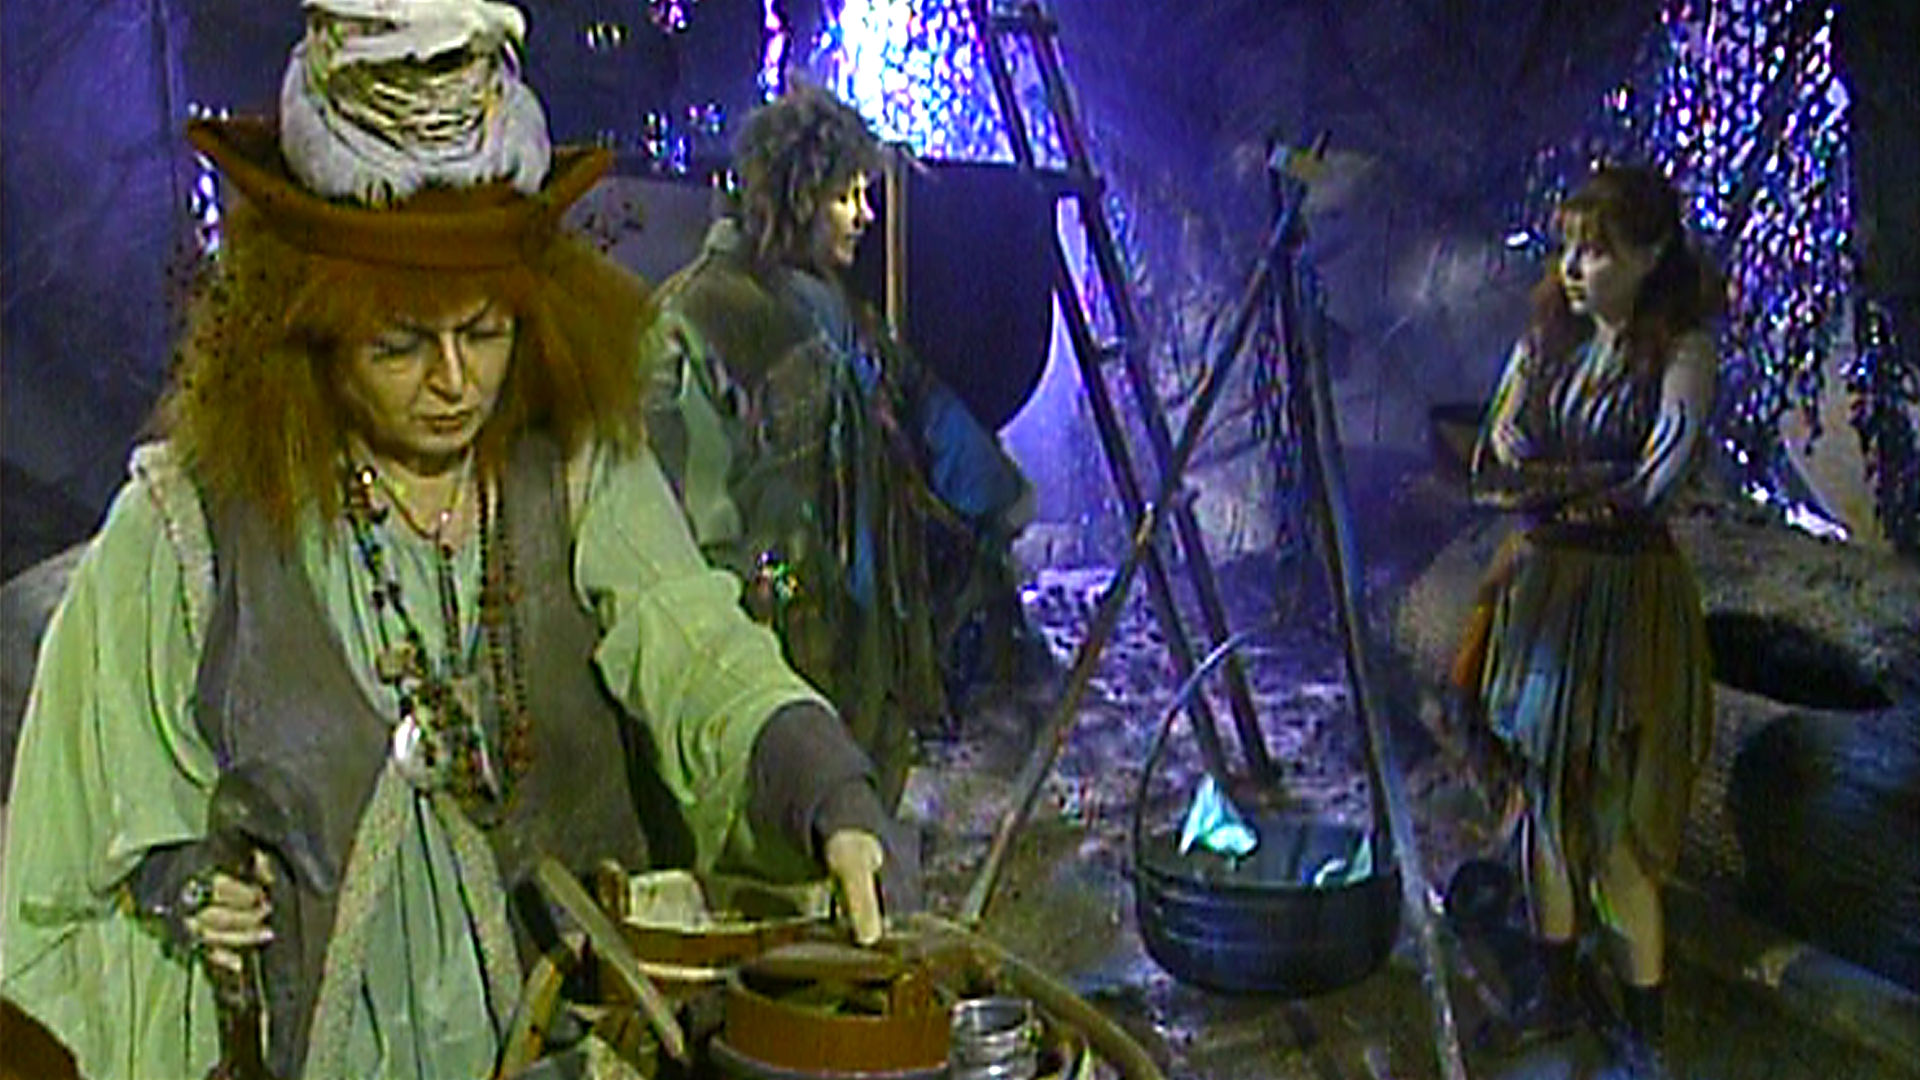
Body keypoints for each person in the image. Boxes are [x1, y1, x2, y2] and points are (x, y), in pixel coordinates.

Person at [0, 5, 915, 1078]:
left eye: (485, 331)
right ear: (308, 331)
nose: (453, 382)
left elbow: (689, 641)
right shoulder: (187, 536)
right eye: (398, 346)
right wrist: (180, 888)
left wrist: (819, 779)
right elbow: (73, 874)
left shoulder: (574, 469)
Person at [644, 83, 1037, 807]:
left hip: (851, 645)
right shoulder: (704, 318)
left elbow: (920, 405)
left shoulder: (840, 318)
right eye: (845, 196)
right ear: (797, 198)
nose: (865, 215)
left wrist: (997, 498)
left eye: (864, 194)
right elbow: (680, 519)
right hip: (763, 651)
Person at [1466, 164, 1719, 1080]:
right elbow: (1499, 445)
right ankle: (1553, 992)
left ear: (1650, 256)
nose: (1574, 269)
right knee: (1542, 802)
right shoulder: (1550, 340)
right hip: (1545, 595)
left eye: (1597, 251)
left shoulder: (1682, 354)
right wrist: (1526, 472)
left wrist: (1555, 490)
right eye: (1568, 249)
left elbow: (1652, 480)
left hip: (1625, 605)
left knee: (1614, 824)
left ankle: (1644, 1030)